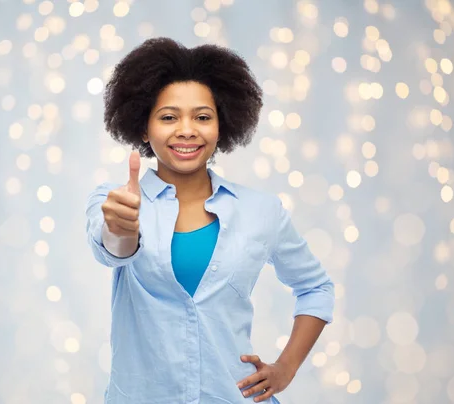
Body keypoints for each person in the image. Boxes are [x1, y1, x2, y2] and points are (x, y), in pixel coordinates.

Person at [86, 37, 335, 404]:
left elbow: (316, 288)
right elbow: (114, 250)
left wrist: (285, 369)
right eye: (168, 117)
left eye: (202, 117)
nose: (187, 130)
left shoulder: (261, 211)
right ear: (143, 127)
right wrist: (122, 229)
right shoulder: (116, 200)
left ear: (223, 124)